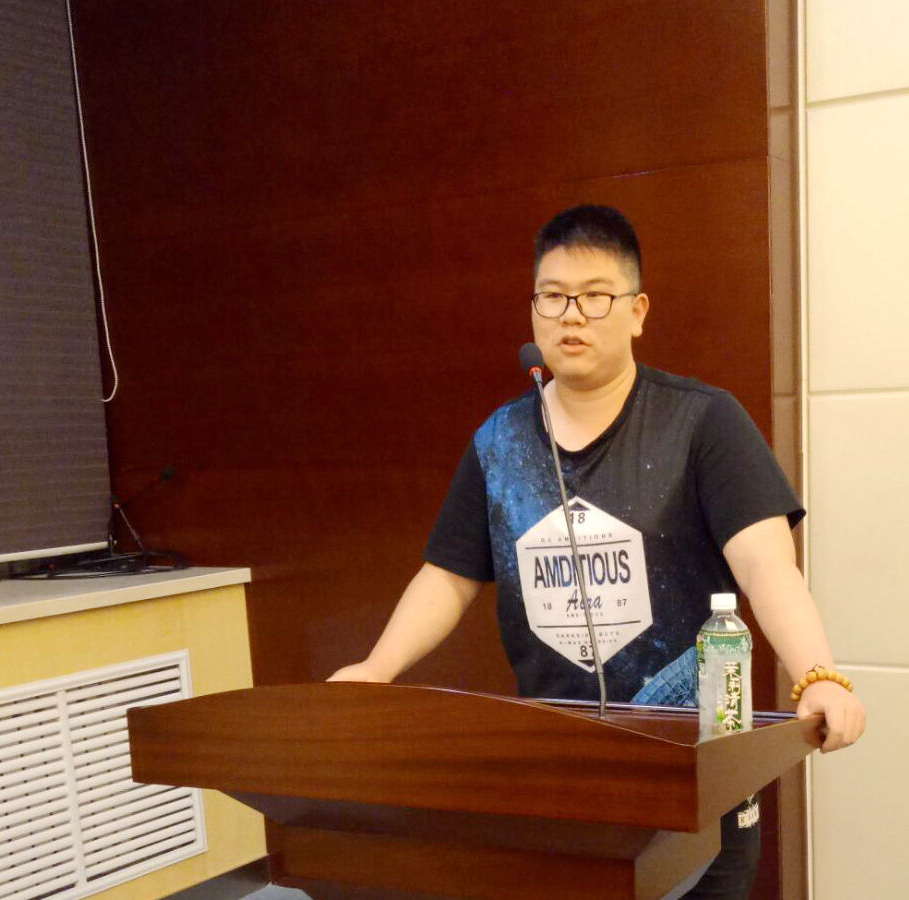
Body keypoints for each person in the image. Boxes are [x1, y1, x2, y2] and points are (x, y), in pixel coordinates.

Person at [330, 205, 866, 899]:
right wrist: (376, 668)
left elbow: (765, 565)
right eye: (552, 297)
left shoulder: (703, 421)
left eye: (595, 296)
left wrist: (818, 675)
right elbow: (449, 576)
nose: (571, 316)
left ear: (637, 312)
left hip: (694, 767)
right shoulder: (499, 441)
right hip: (557, 772)